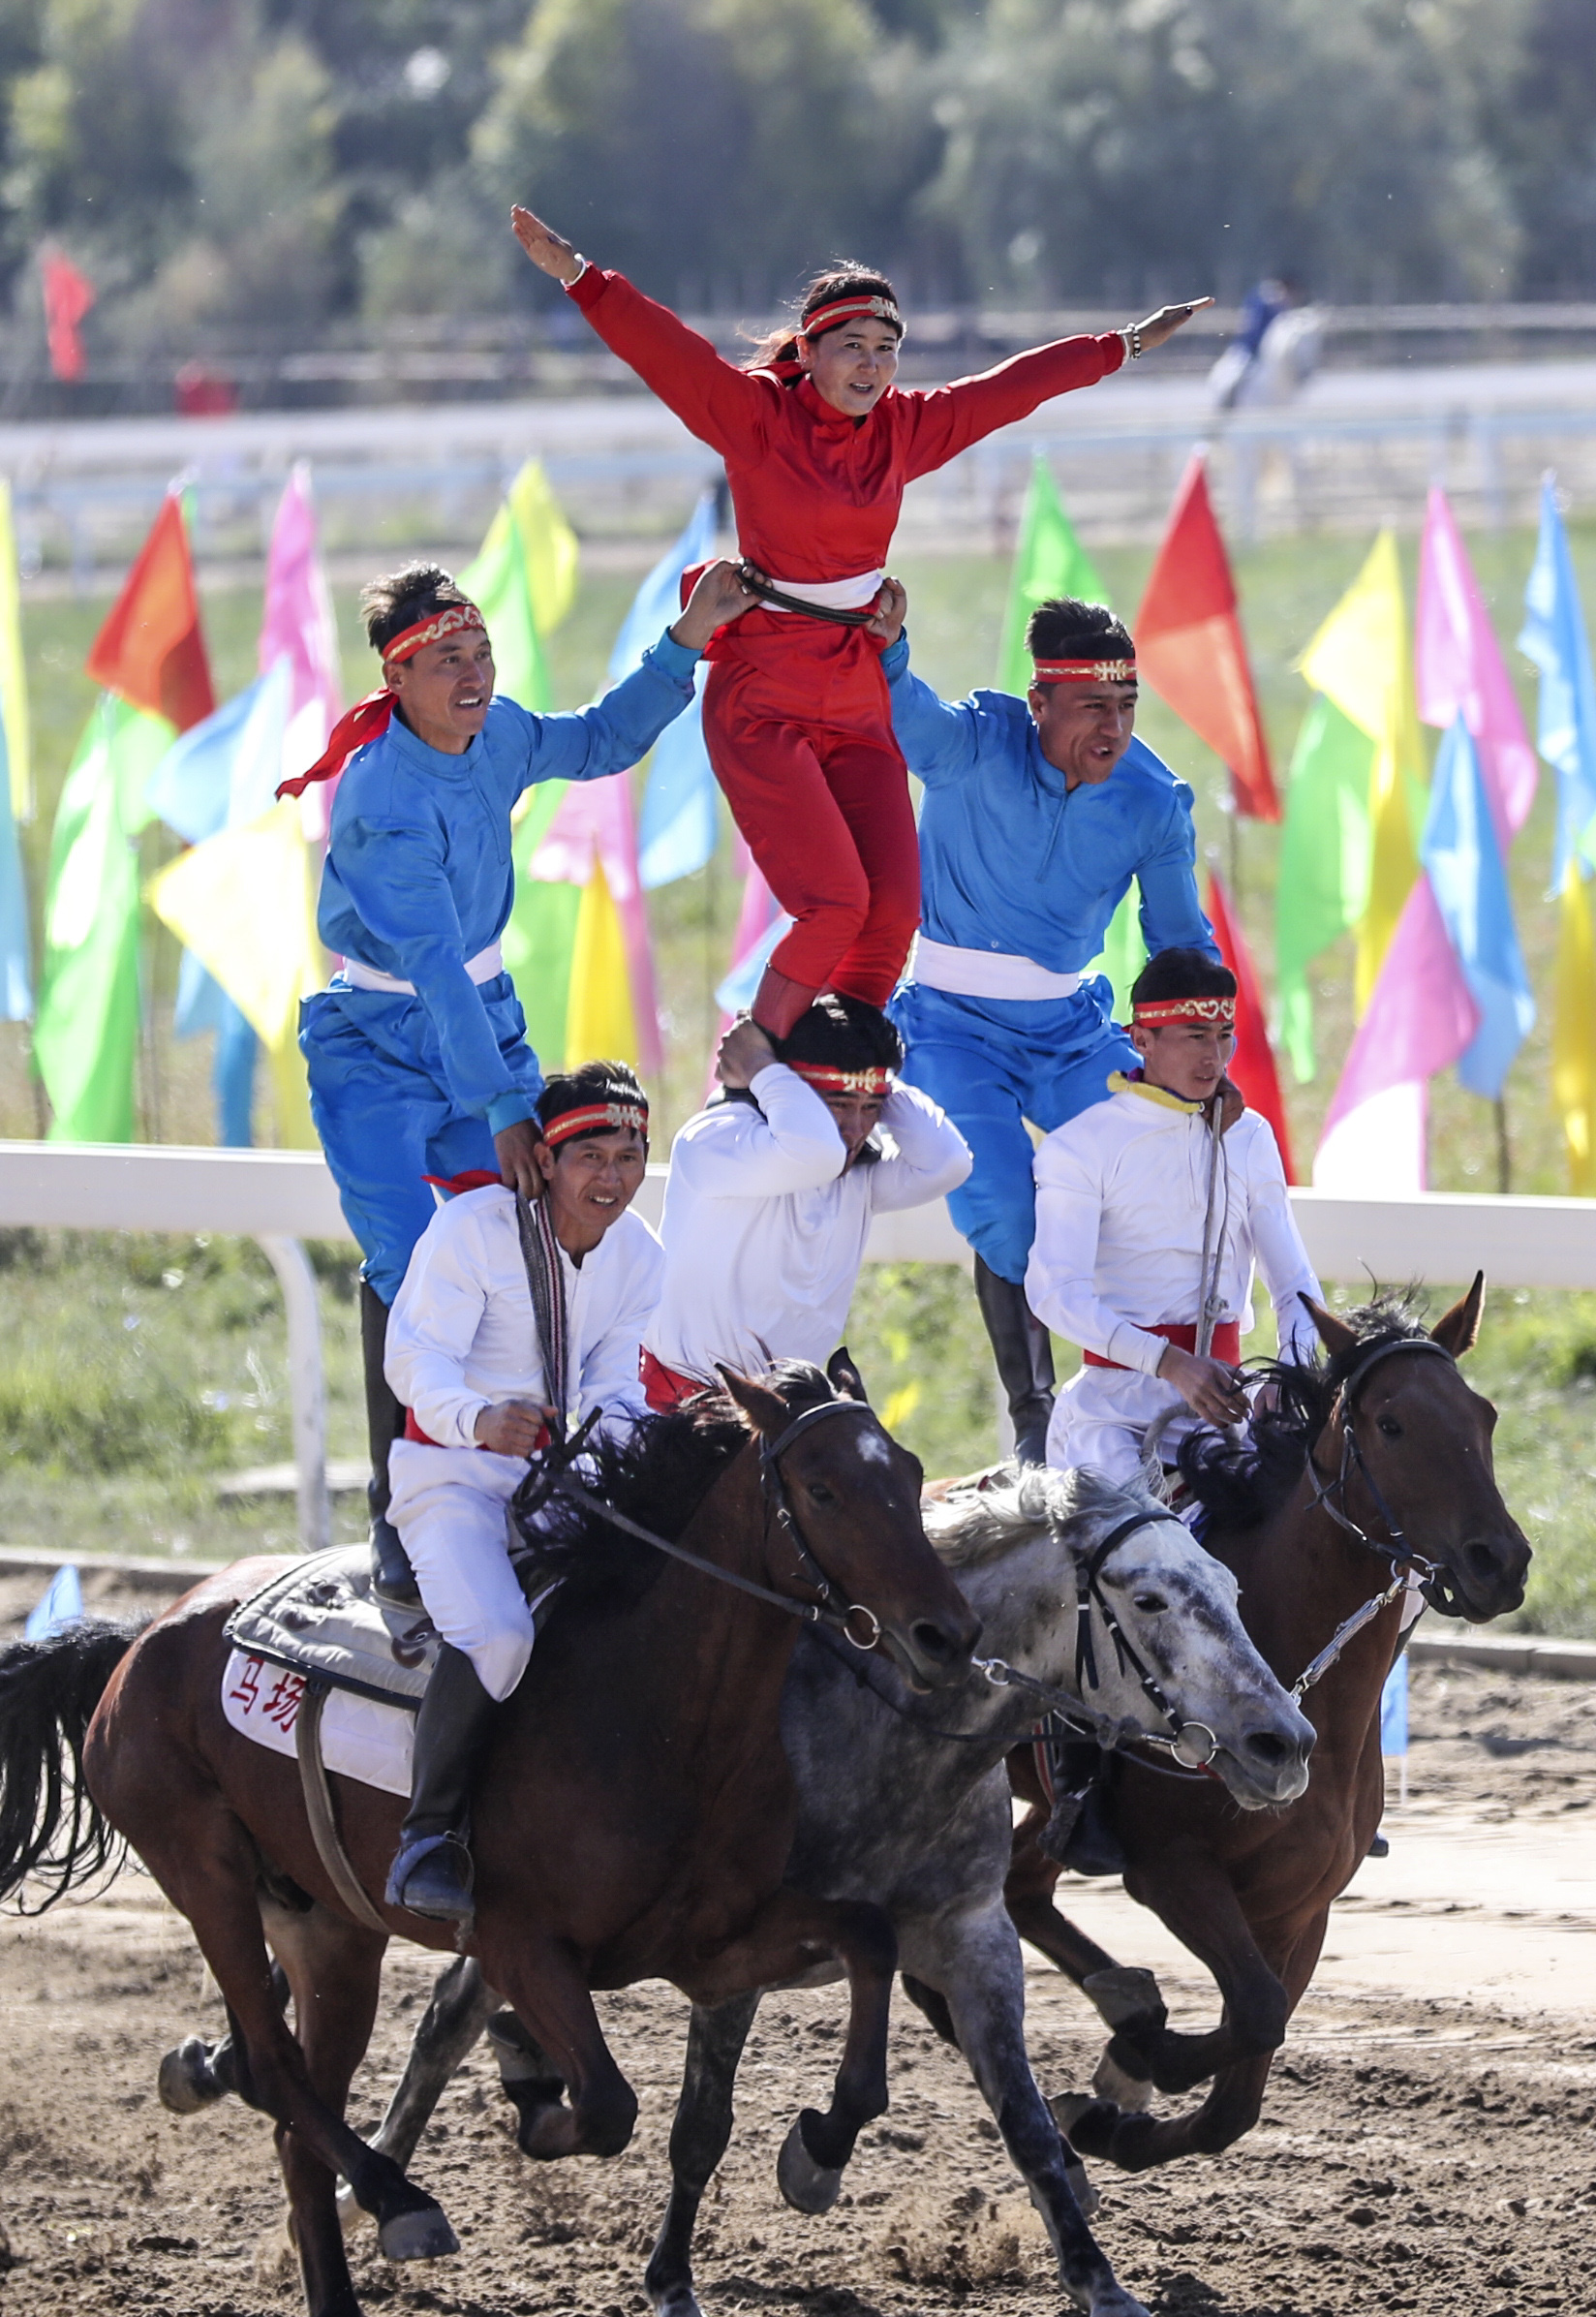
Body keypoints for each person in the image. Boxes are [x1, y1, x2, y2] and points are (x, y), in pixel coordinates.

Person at [509, 201, 1210, 1039]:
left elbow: (1010, 391)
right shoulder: (755, 420)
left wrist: (1123, 345)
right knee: (835, 904)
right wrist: (582, 277)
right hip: (763, 694)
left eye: (887, 351)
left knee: (891, 911)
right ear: (806, 353)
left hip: (853, 690)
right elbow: (667, 353)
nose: (873, 368)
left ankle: (846, 1076)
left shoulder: (902, 430)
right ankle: (755, 1056)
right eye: (853, 349)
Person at [277, 553, 752, 1592]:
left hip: (479, 1023)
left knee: (531, 1245)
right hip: (377, 1051)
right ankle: (401, 1515)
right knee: (418, 1273)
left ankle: (555, 1476)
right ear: (395, 680)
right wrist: (503, 1104)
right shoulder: (379, 798)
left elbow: (599, 739)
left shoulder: (497, 736)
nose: (474, 673)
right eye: (447, 658)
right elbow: (435, 967)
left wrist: (689, 639)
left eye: (480, 651)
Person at [876, 585, 1220, 1465]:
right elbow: (907, 711)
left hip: (1073, 1030)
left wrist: (1199, 1052)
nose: (1113, 726)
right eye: (1092, 706)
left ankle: (1172, 1408)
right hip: (950, 1031)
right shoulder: (978, 741)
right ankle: (1034, 1423)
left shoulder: (1154, 799)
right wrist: (890, 641)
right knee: (1010, 1215)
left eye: (1127, 705)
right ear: (1039, 705)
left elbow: (1179, 941)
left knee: (1168, 1163)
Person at [382, 1063, 664, 1923]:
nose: (611, 1178)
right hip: (452, 1476)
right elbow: (414, 1361)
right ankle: (426, 1840)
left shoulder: (642, 1251)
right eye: (591, 1157)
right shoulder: (472, 1228)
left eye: (629, 1156)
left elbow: (620, 1387)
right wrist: (477, 1419)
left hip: (561, 1479)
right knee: (502, 1636)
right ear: (545, 1157)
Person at [1024, 949, 1321, 1489]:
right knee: (1142, 1559)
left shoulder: (1249, 1135)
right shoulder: (1080, 1146)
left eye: (1223, 1034)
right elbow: (1055, 1294)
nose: (1215, 1056)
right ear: (1142, 1040)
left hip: (1230, 1411)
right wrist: (1171, 1364)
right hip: (1114, 1415)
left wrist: (1291, 1373)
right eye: (1194, 1036)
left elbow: (1295, 1283)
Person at [640, 995, 970, 1403]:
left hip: (787, 1423)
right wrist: (766, 1068)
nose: (855, 1129)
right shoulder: (714, 1138)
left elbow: (950, 1161)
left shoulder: (854, 1178)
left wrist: (875, 1075)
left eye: (872, 1108)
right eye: (839, 1104)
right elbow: (816, 1152)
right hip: (672, 1409)